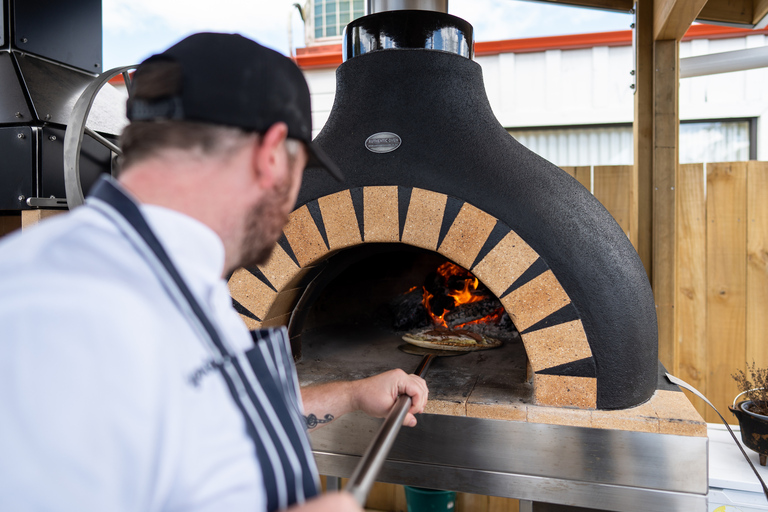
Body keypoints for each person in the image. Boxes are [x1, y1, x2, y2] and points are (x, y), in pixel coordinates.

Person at [0, 33, 428, 512]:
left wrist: (350, 396)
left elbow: (206, 418)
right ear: (270, 156)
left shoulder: (180, 270)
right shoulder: (48, 308)